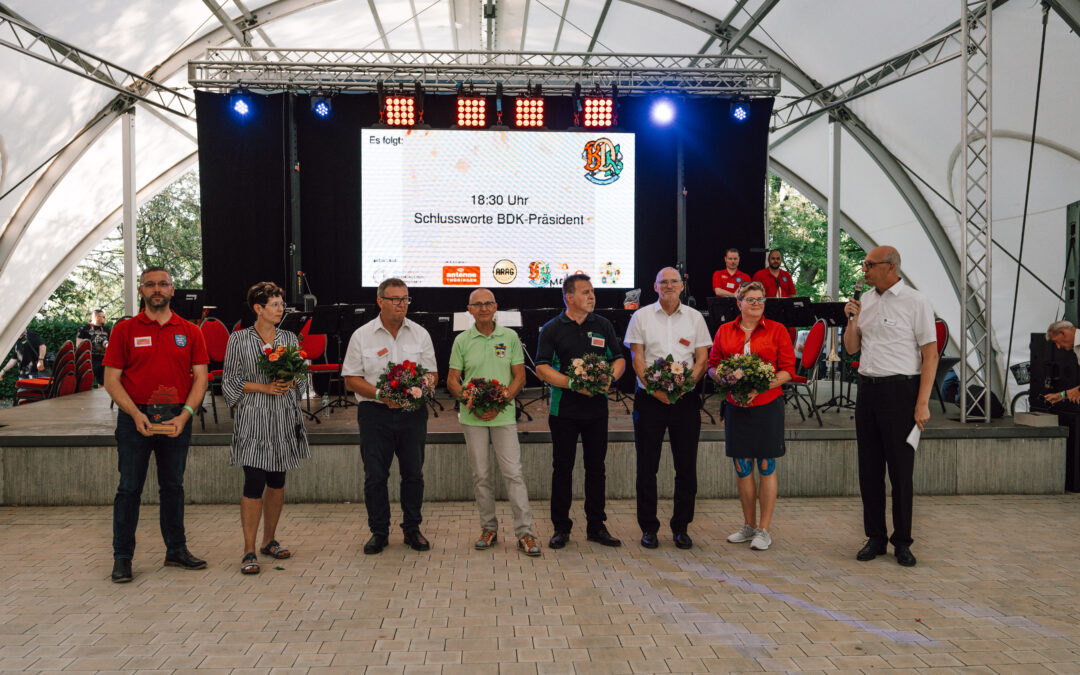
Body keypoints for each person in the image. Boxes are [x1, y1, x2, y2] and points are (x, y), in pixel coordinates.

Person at [102, 266, 209, 583]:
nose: (157, 289)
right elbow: (111, 380)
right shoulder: (124, 330)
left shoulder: (191, 331)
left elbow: (201, 378)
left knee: (173, 487)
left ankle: (176, 550)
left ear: (173, 290)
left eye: (163, 284)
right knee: (128, 489)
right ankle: (122, 558)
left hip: (176, 417)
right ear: (141, 290)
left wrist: (185, 415)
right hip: (135, 417)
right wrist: (135, 415)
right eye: (150, 284)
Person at [844, 246, 937, 568]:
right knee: (869, 470)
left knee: (900, 472)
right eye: (865, 264)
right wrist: (852, 319)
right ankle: (875, 537)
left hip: (901, 391)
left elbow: (931, 354)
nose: (864, 269)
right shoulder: (865, 300)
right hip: (868, 388)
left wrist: (922, 402)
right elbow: (852, 348)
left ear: (891, 266)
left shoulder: (916, 301)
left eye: (870, 264)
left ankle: (903, 541)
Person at [342, 278, 438, 555]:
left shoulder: (420, 334)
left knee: (413, 474)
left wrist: (420, 389)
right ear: (380, 301)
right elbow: (351, 379)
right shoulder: (362, 335)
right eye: (395, 299)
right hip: (375, 413)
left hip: (412, 413)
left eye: (406, 299)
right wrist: (380, 395)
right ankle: (379, 532)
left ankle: (412, 529)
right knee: (375, 475)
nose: (402, 304)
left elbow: (432, 374)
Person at [222, 282, 311, 574]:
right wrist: (265, 386)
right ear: (258, 308)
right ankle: (248, 549)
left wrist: (293, 382)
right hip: (254, 417)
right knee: (253, 481)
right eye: (275, 304)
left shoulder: (289, 338)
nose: (281, 308)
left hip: (284, 416)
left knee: (277, 481)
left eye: (281, 303)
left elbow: (303, 377)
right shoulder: (239, 339)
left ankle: (269, 540)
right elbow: (230, 382)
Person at [446, 288, 540, 556]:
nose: (484, 308)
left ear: (496, 307)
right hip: (472, 418)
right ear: (469, 309)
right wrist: (470, 402)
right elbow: (453, 380)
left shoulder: (509, 337)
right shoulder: (462, 340)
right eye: (478, 304)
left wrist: (500, 402)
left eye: (488, 303)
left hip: (504, 416)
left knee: (513, 474)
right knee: (482, 476)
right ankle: (488, 529)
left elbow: (520, 377)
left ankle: (526, 534)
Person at [536, 274, 626, 549]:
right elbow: (542, 367)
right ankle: (561, 527)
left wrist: (607, 380)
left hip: (597, 410)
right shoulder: (552, 328)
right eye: (585, 292)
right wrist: (574, 383)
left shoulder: (603, 324)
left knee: (596, 469)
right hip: (563, 411)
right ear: (569, 297)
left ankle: (596, 526)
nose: (592, 296)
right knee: (562, 469)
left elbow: (619, 358)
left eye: (592, 292)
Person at [625, 267, 712, 549]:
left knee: (686, 467)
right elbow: (637, 358)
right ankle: (648, 528)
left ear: (682, 286)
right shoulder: (641, 316)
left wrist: (686, 386)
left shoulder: (695, 318)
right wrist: (653, 388)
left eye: (674, 281)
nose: (669, 285)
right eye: (664, 281)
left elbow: (702, 359)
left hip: (685, 400)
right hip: (649, 399)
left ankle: (681, 527)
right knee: (647, 467)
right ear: (655, 286)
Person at [707, 280, 795, 552]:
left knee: (766, 465)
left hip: (768, 405)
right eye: (751, 299)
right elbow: (712, 365)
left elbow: (788, 370)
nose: (756, 304)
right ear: (739, 303)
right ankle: (748, 525)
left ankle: (764, 530)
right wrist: (721, 376)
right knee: (742, 467)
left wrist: (760, 386)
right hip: (736, 407)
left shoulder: (778, 330)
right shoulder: (724, 330)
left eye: (760, 299)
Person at [1044, 320, 1080, 404]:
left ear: (1062, 333)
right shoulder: (1076, 348)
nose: (1058, 347)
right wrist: (1061, 396)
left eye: (1056, 341)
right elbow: (1076, 391)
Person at [77, 309, 111, 385]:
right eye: (103, 317)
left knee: (103, 383)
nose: (105, 318)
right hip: (90, 359)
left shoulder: (106, 329)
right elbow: (78, 344)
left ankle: (101, 397)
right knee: (85, 382)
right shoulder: (84, 328)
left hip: (103, 359)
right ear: (97, 317)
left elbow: (110, 344)